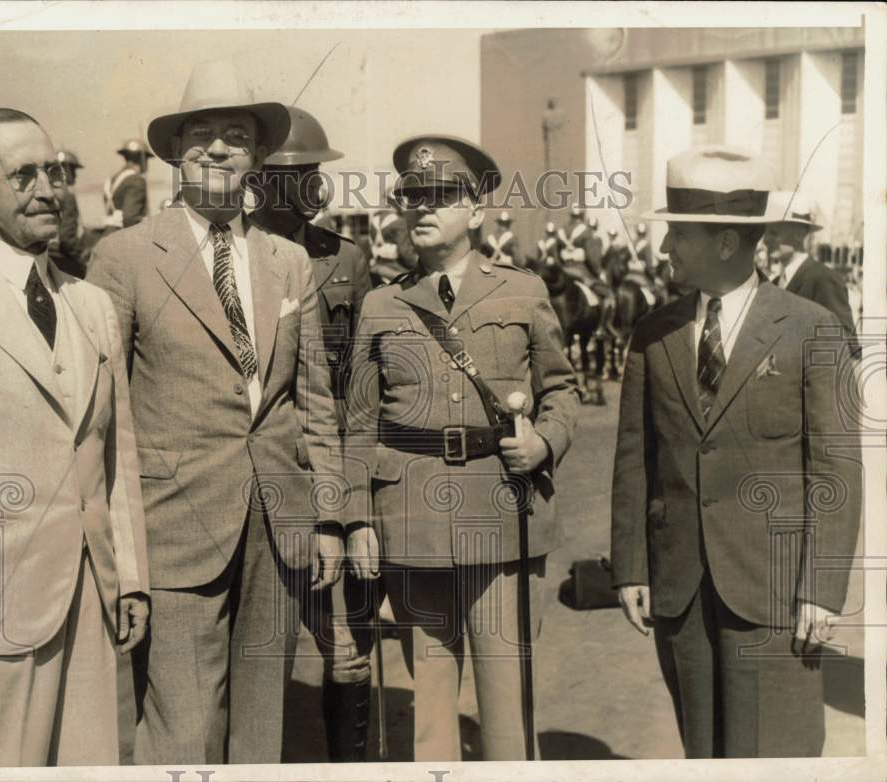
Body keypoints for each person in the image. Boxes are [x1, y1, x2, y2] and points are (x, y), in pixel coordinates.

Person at [86, 60, 346, 765]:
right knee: (184, 728)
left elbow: (314, 401)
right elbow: (105, 415)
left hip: (279, 526)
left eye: (237, 136)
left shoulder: (288, 261)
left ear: (258, 156)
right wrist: (121, 555)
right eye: (202, 135)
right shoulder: (124, 257)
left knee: (261, 728)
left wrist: (328, 516)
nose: (220, 149)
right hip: (175, 527)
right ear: (176, 151)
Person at [611, 145, 862, 758]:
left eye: (678, 234)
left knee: (776, 753)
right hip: (681, 590)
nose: (664, 248)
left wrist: (821, 587)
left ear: (726, 242)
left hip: (775, 592)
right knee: (703, 753)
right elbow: (634, 458)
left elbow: (835, 469)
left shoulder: (810, 328)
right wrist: (632, 566)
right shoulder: (653, 334)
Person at [0, 107, 149, 766]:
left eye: (53, 172)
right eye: (23, 175)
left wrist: (132, 577)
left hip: (91, 598)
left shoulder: (91, 304)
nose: (48, 190)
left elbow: (116, 455)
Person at [344, 134, 581, 760]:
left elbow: (562, 389)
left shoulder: (522, 291)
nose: (422, 207)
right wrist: (356, 518)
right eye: (413, 195)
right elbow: (358, 421)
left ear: (476, 211)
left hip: (502, 514)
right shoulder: (380, 304)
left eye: (441, 196)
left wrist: (545, 443)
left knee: (507, 707)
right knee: (429, 713)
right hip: (411, 522)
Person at [250, 105, 376, 761]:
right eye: (291, 174)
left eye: (313, 172)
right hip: (272, 462)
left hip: (335, 459)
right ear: (260, 180)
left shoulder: (345, 257)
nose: (309, 185)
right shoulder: (240, 254)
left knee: (348, 645)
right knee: (263, 638)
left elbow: (365, 370)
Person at [763, 191, 855, 334]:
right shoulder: (775, 283)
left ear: (800, 234)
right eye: (765, 233)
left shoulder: (824, 280)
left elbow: (845, 341)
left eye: (774, 233)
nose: (765, 240)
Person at [559, 205, 614, 335]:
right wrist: (598, 272)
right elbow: (592, 258)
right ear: (582, 216)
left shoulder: (562, 231)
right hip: (580, 271)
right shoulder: (586, 232)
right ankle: (601, 328)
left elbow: (556, 253)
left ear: (571, 216)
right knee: (608, 295)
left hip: (563, 269)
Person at [47, 149, 87, 277]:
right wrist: (80, 259)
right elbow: (67, 239)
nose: (75, 176)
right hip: (63, 258)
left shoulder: (47, 193)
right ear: (65, 170)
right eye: (73, 170)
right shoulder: (67, 196)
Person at [103, 138, 152, 232]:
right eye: (146, 158)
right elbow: (129, 219)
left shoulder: (111, 180)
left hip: (108, 233)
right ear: (141, 158)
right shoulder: (136, 180)